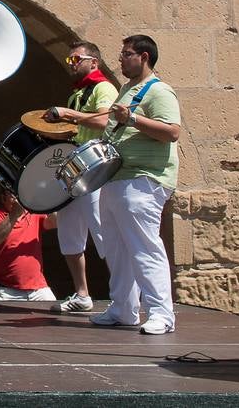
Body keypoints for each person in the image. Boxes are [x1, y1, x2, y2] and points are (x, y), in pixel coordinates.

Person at [91, 35, 182, 335]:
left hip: (143, 180)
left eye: (126, 54)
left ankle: (161, 313)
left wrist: (131, 118)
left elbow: (172, 132)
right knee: (117, 248)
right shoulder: (127, 89)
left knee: (144, 248)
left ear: (143, 57)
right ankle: (123, 309)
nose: (120, 59)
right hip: (116, 177)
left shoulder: (159, 91)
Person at [42, 40, 117, 313]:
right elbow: (78, 126)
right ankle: (82, 293)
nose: (70, 64)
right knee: (69, 234)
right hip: (75, 168)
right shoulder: (78, 93)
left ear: (93, 62)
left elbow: (102, 121)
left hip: (95, 168)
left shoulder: (104, 87)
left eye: (76, 59)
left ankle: (122, 295)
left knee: (102, 232)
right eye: (69, 60)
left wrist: (69, 115)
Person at [0, 191, 57, 301]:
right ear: (3, 198)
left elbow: (54, 222)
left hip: (39, 288)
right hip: (8, 290)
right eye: (13, 195)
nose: (18, 199)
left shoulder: (33, 214)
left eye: (20, 194)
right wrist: (14, 214)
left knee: (51, 313)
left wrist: (50, 202)